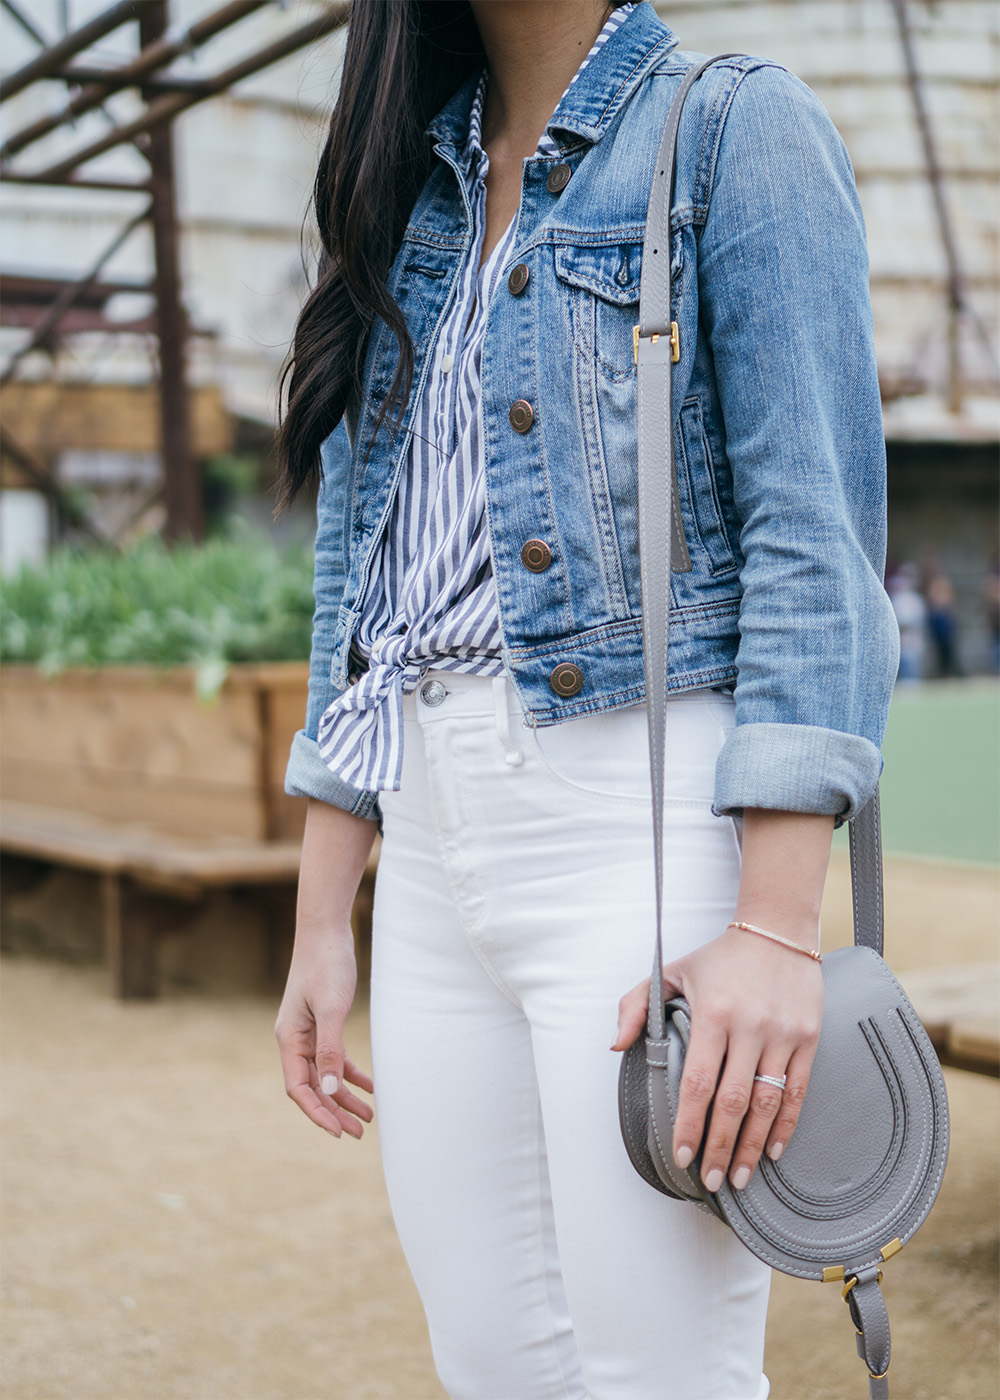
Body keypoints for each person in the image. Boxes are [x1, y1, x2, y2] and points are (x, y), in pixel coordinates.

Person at [273, 4, 899, 1397]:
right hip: (435, 853)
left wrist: (778, 931)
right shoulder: (409, 182)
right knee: (492, 1361)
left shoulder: (735, 129)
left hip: (643, 826)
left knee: (660, 1370)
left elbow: (817, 532)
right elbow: (360, 579)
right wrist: (327, 913)